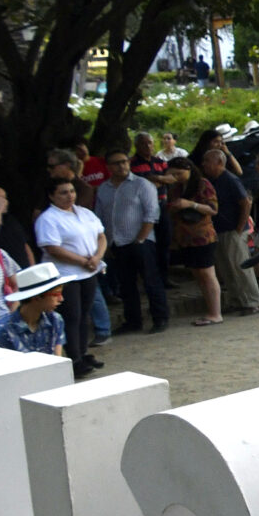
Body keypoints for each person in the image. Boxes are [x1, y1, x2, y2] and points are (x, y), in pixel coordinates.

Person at [33, 176, 106, 375]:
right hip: (65, 274)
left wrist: (97, 257)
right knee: (71, 316)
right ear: (52, 196)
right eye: (63, 193)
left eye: (71, 191)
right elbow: (53, 248)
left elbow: (101, 235)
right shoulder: (48, 218)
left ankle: (83, 353)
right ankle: (73, 358)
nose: (69, 196)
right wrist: (83, 261)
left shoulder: (84, 213)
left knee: (85, 314)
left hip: (88, 271)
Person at [97, 155, 165, 333]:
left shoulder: (142, 184)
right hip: (116, 243)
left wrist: (141, 239)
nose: (121, 166)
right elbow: (99, 218)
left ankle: (160, 318)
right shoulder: (103, 189)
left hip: (140, 241)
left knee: (151, 280)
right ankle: (133, 321)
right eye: (116, 163)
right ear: (108, 166)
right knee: (126, 285)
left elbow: (152, 213)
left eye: (124, 162)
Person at [164, 159, 223, 327]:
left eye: (179, 173)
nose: (176, 177)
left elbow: (213, 209)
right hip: (185, 237)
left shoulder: (202, 184)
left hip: (203, 235)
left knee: (207, 274)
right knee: (198, 274)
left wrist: (191, 204)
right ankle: (210, 310)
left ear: (188, 169)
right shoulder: (176, 188)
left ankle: (215, 312)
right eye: (173, 174)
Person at [209, 149, 259, 316]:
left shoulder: (230, 179)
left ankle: (252, 301)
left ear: (218, 163)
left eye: (207, 161)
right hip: (221, 228)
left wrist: (240, 227)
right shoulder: (214, 180)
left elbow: (245, 202)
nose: (204, 164)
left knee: (240, 266)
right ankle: (236, 300)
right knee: (227, 268)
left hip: (233, 229)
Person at [0, 263, 68, 356]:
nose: (61, 299)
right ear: (37, 297)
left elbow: (58, 360)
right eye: (56, 294)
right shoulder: (2, 330)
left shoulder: (55, 320)